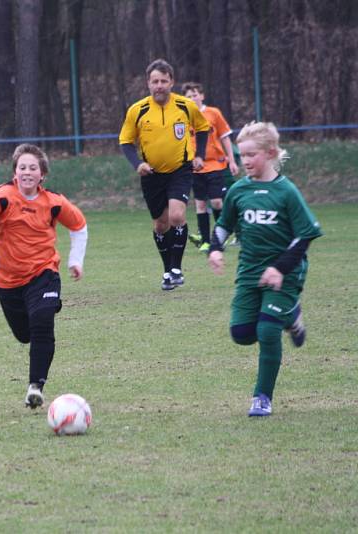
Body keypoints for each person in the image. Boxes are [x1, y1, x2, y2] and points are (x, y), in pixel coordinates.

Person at [207, 122, 322, 417]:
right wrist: (216, 248)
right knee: (242, 333)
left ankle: (262, 397)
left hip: (286, 274)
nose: (244, 160)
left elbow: (305, 234)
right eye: (240, 154)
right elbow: (224, 225)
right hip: (249, 272)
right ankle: (292, 314)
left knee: (267, 330)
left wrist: (280, 269)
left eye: (251, 154)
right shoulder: (239, 190)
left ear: (270, 153)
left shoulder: (286, 192)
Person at [0, 144, 88, 409]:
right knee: (24, 334)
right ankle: (44, 308)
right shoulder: (3, 197)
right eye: (22, 167)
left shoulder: (54, 202)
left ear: (42, 174)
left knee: (42, 320)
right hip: (7, 281)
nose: (27, 172)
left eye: (33, 167)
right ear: (15, 172)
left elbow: (79, 226)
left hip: (43, 272)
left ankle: (36, 386)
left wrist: (75, 260)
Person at [119, 59, 210, 290]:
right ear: (148, 84)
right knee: (160, 225)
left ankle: (177, 269)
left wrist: (199, 155)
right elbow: (126, 142)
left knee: (177, 217)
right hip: (152, 175)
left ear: (172, 82)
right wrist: (137, 163)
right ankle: (168, 271)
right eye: (154, 81)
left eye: (163, 81)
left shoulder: (185, 105)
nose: (159, 85)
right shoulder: (137, 110)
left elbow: (202, 128)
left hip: (180, 169)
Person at [182, 82, 240, 254]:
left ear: (202, 96)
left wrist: (232, 160)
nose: (192, 98)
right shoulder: (183, 116)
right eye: (188, 96)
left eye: (194, 95)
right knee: (200, 205)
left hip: (215, 164)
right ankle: (206, 242)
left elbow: (225, 137)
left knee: (216, 201)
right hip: (195, 166)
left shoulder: (213, 113)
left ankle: (219, 237)